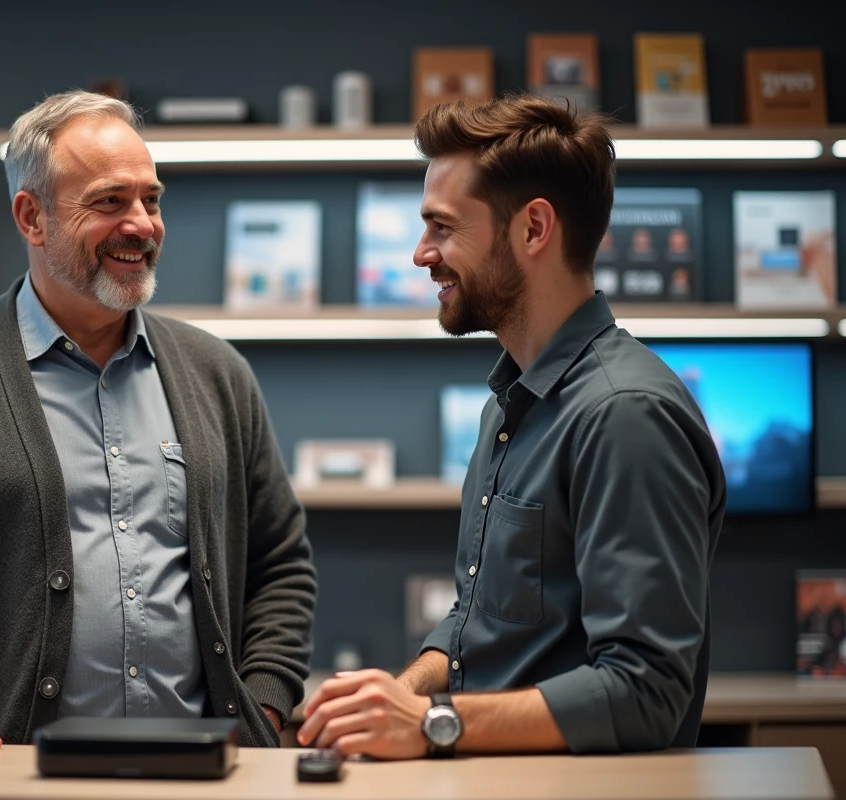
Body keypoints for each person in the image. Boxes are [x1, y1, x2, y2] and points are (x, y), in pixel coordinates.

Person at [0, 90, 316, 751]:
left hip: (206, 775)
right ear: (32, 217)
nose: (142, 224)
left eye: (151, 199)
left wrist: (265, 709)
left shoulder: (216, 375)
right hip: (5, 774)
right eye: (109, 202)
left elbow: (280, 564)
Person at [297, 95, 725, 757]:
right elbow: (480, 622)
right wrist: (402, 695)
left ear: (533, 229)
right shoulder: (510, 403)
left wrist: (433, 724)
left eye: (442, 227)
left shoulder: (625, 415)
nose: (420, 254)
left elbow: (647, 694)